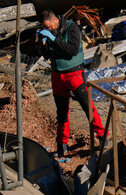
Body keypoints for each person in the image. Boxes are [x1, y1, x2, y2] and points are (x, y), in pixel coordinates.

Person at [37, 9, 105, 156]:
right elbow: (47, 55)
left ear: (55, 20)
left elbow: (72, 50)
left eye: (49, 27)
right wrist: (43, 43)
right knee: (61, 111)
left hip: (74, 73)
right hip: (57, 75)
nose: (48, 29)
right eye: (46, 28)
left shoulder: (72, 28)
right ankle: (62, 146)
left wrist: (53, 38)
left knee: (87, 105)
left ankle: (101, 136)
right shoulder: (50, 32)